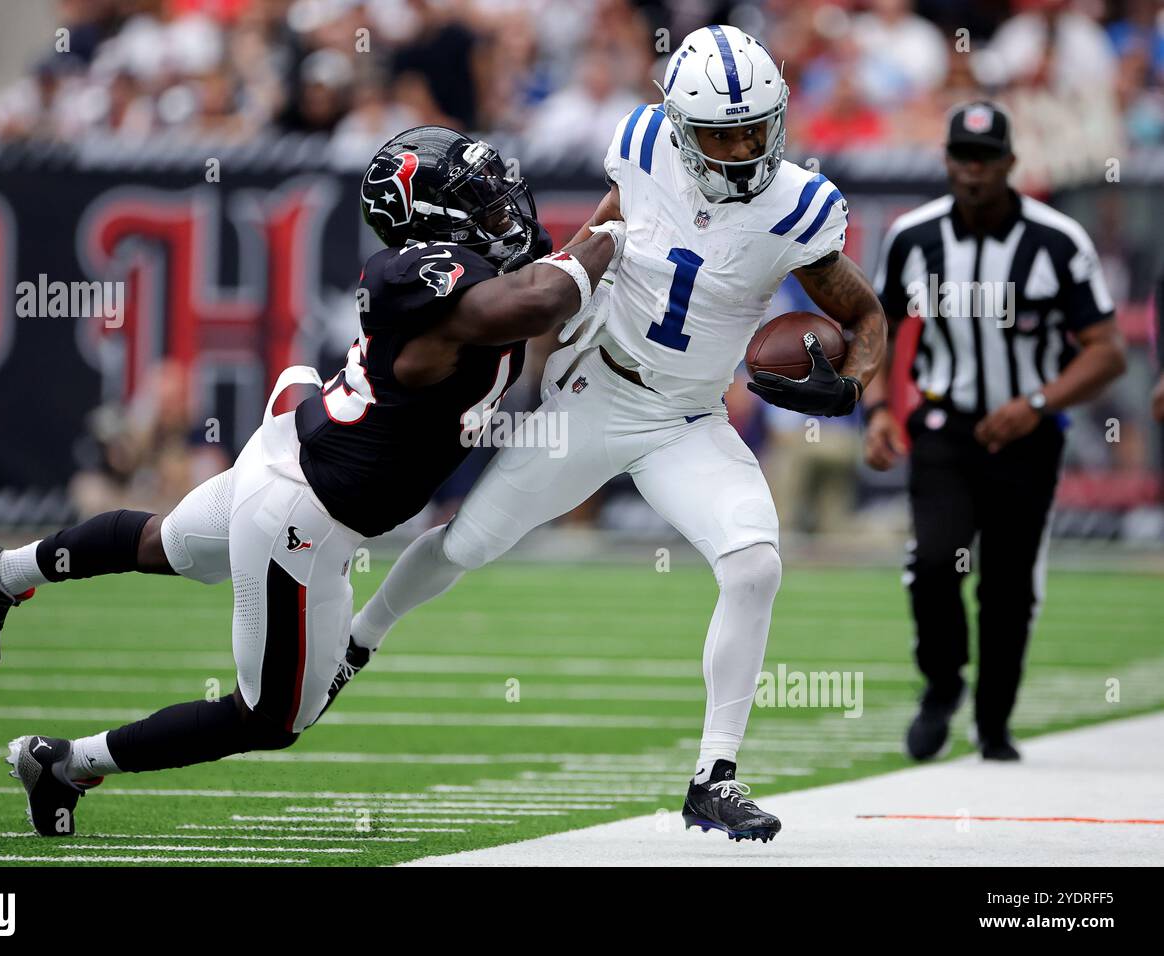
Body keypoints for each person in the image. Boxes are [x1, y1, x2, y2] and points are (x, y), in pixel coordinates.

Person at [0, 126, 623, 836]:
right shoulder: (414, 275)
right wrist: (618, 237)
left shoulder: (481, 266)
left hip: (291, 455)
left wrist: (633, 198)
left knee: (163, 543)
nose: (502, 209)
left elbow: (556, 270)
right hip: (306, 514)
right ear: (428, 221)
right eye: (477, 202)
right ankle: (66, 763)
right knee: (272, 717)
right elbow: (536, 304)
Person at [332, 26, 888, 844]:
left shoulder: (798, 206)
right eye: (720, 133)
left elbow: (865, 316)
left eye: (754, 128)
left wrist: (853, 382)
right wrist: (531, 362)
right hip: (592, 393)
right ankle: (356, 640)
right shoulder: (642, 142)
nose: (741, 148)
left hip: (685, 420)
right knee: (467, 545)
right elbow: (593, 239)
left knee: (755, 562)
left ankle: (715, 775)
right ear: (677, 127)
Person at [862, 101, 1127, 761]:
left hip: (1026, 437)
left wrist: (1037, 401)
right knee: (931, 563)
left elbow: (1107, 350)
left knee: (1007, 586)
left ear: (1011, 162)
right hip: (945, 428)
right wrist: (876, 410)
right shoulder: (914, 236)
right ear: (946, 160)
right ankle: (943, 685)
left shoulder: (1057, 240)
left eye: (984, 159)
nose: (972, 172)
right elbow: (875, 329)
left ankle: (994, 721)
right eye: (960, 157)